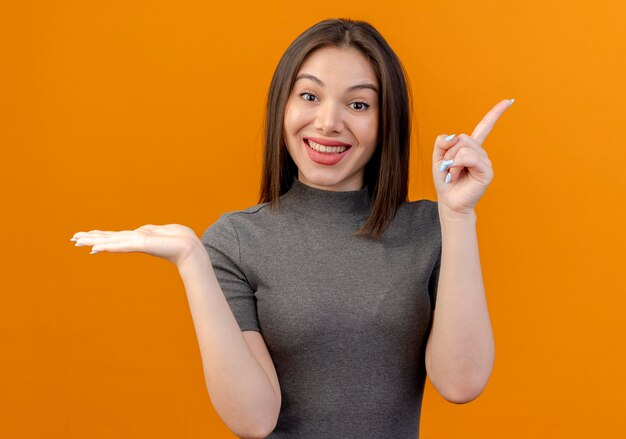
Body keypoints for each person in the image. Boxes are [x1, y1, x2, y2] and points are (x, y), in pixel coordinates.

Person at [71, 18, 512, 439]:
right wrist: (192, 259)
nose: (327, 122)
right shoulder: (235, 242)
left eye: (358, 104)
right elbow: (254, 419)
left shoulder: (427, 230)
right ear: (282, 105)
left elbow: (461, 383)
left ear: (385, 122)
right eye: (309, 96)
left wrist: (458, 217)